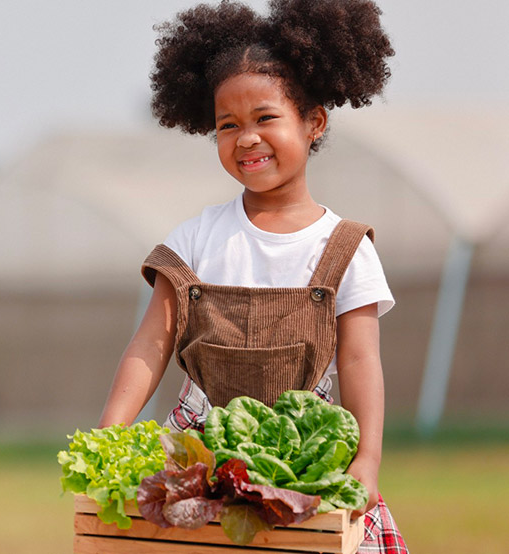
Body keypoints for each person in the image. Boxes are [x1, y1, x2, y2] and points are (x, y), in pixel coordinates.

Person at [96, 0, 408, 551]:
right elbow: (152, 341)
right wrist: (111, 432)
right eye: (227, 125)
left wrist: (367, 461)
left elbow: (360, 360)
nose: (246, 138)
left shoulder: (346, 249)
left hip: (306, 453)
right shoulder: (194, 239)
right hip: (200, 456)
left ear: (314, 122)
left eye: (266, 118)